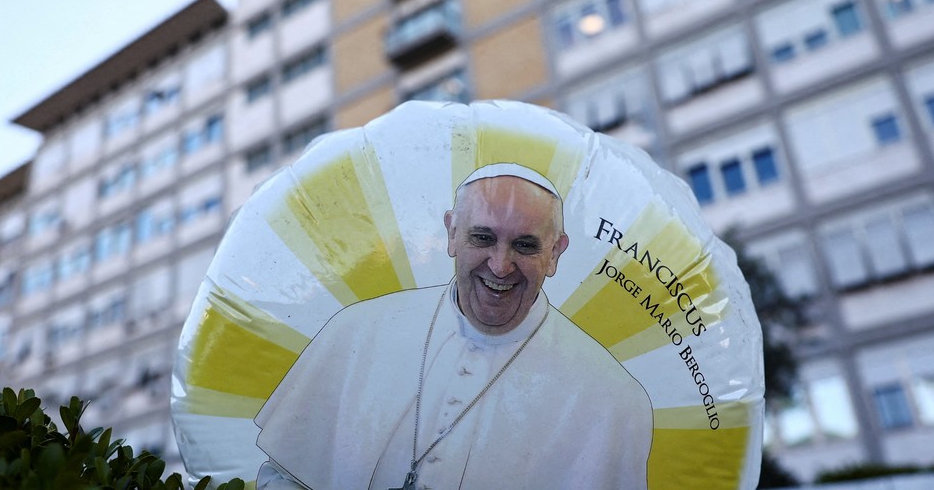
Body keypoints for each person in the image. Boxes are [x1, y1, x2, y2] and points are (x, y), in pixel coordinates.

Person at [254, 163, 653, 489]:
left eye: (525, 245)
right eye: (482, 238)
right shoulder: (358, 330)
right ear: (452, 233)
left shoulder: (612, 398)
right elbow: (282, 477)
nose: (500, 265)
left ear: (555, 253)